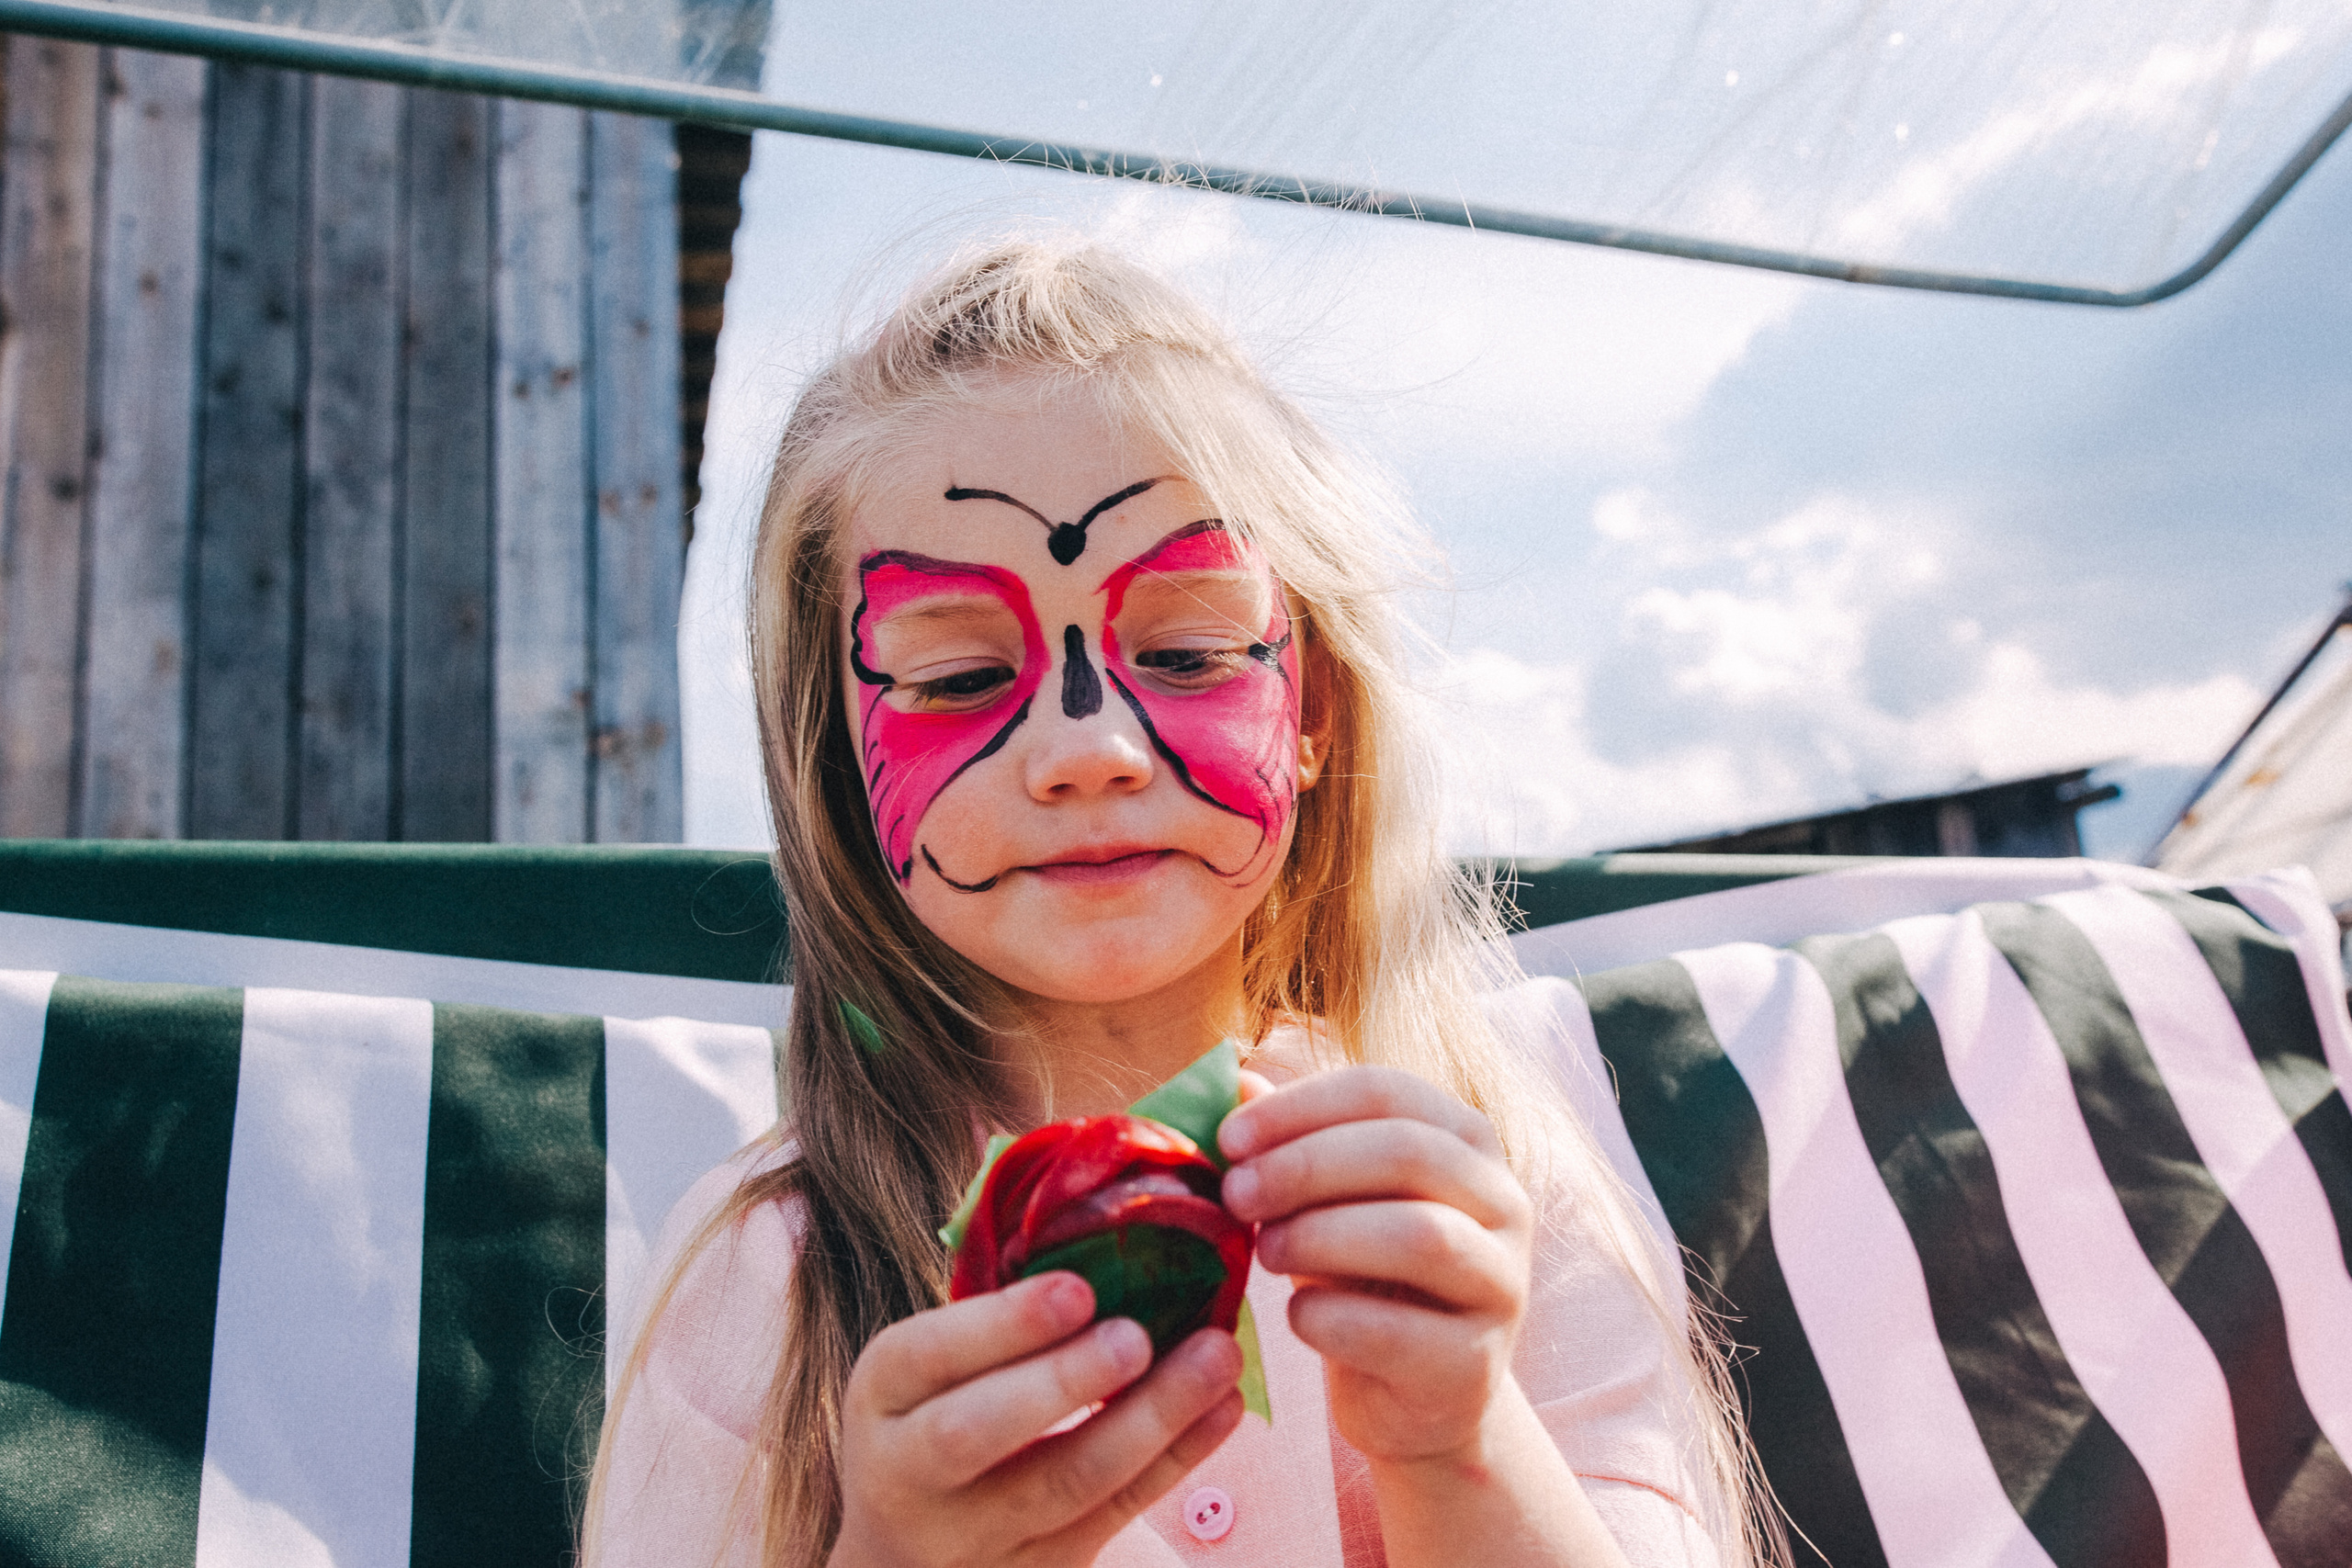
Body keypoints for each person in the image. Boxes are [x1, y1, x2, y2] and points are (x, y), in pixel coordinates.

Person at [585, 242, 1779, 1568]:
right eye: (962, 675)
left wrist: (1460, 1443)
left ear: (1312, 708)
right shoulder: (767, 1283)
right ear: (835, 767)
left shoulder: (1482, 1185)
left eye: (1190, 652)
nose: (1086, 744)